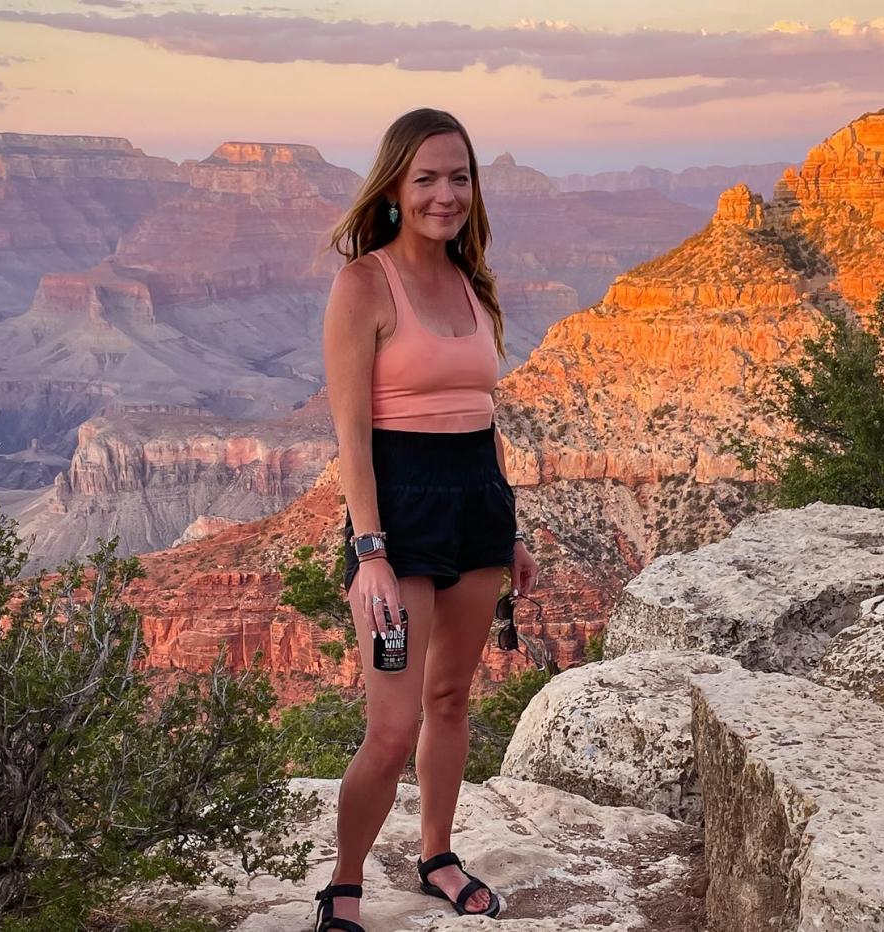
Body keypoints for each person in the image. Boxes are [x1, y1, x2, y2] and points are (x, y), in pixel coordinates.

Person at [315, 108, 539, 932]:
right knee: (391, 722)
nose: (445, 194)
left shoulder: (473, 284)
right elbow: (351, 436)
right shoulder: (364, 285)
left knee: (451, 698)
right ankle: (343, 883)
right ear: (395, 189)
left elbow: (483, 413)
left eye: (460, 177)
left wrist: (510, 526)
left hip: (478, 510)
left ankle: (437, 853)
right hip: (399, 523)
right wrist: (369, 552)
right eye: (427, 179)